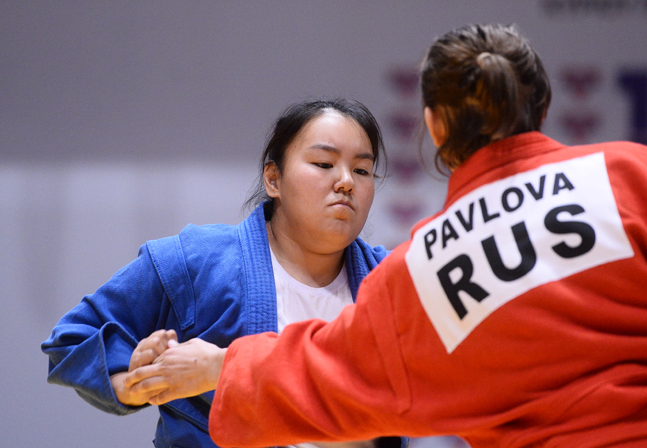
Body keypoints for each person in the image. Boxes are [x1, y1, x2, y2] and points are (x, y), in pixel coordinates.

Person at [140, 23, 647, 447]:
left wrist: (223, 365)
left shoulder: (424, 266)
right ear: (540, 106)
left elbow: (338, 371)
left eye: (361, 169)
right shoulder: (633, 173)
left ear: (434, 125)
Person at [41, 98, 408, 448]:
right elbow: (73, 338)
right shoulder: (196, 261)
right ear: (273, 179)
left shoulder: (394, 284)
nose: (346, 181)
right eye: (324, 164)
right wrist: (131, 383)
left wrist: (221, 368)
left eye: (362, 170)